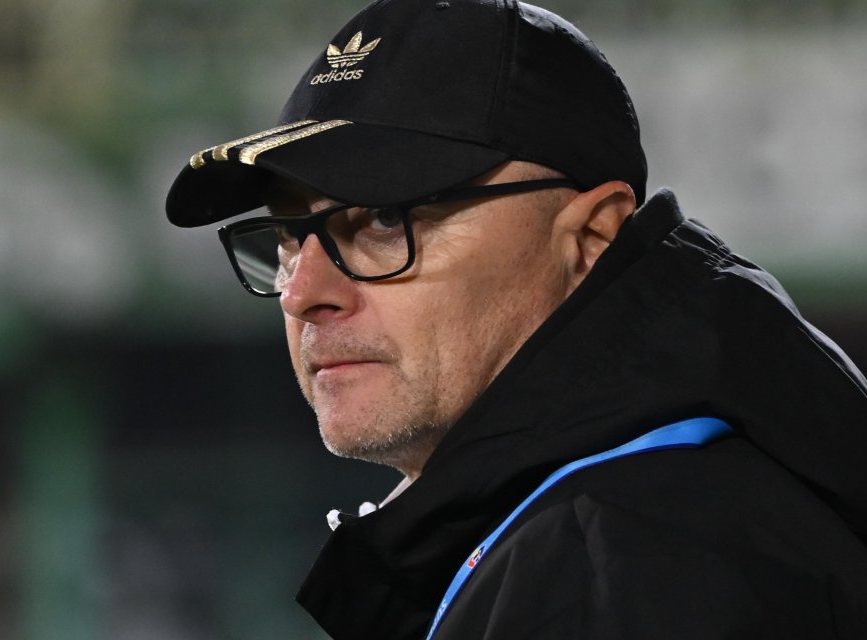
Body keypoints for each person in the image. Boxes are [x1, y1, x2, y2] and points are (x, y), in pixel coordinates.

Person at [165, 0, 867, 638]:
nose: (302, 292)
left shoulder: (619, 556)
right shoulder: (605, 526)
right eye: (290, 237)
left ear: (591, 238)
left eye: (382, 219)